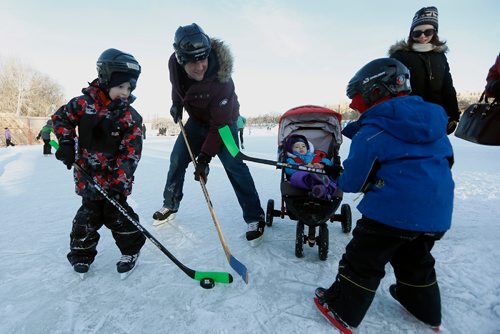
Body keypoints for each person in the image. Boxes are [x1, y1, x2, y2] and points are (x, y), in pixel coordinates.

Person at [314, 58, 454, 333]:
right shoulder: (434, 123)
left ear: (374, 92)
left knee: (363, 260)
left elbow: (353, 181)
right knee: (416, 259)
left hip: (392, 212)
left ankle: (342, 309)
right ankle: (424, 308)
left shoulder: (374, 128)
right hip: (436, 211)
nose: (357, 107)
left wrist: (336, 174)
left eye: (359, 100)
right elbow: (447, 161)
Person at [153, 23, 266, 245]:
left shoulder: (222, 82)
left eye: (203, 58)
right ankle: (170, 204)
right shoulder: (173, 64)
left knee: (235, 165)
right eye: (193, 61)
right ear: (181, 59)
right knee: (177, 158)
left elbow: (218, 126)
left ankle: (255, 216)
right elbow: (176, 85)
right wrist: (176, 104)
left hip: (224, 125)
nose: (200, 66)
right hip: (197, 121)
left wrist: (204, 158)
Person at [52, 48, 146, 277]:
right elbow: (60, 118)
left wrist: (118, 182)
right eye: (121, 86)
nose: (125, 92)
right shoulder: (83, 104)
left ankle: (131, 250)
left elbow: (131, 152)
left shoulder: (130, 117)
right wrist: (65, 141)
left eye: (129, 88)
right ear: (105, 80)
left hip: (115, 180)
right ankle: (81, 255)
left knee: (118, 217)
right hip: (88, 177)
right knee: (87, 218)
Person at [389, 6, 460, 135]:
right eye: (417, 33)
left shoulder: (439, 56)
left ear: (435, 32)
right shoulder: (400, 55)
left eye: (428, 32)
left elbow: (447, 86)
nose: (422, 36)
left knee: (438, 153)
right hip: (409, 119)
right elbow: (392, 89)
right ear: (411, 34)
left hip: (437, 116)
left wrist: (453, 114)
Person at [284, 134, 336, 200]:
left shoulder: (315, 156)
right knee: (295, 177)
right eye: (297, 147)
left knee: (331, 178)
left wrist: (321, 164)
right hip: (303, 176)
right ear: (291, 150)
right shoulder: (291, 159)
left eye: (303, 146)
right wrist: (301, 167)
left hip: (319, 172)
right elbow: (288, 169)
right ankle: (318, 185)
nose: (301, 148)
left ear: (307, 147)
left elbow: (328, 162)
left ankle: (320, 185)